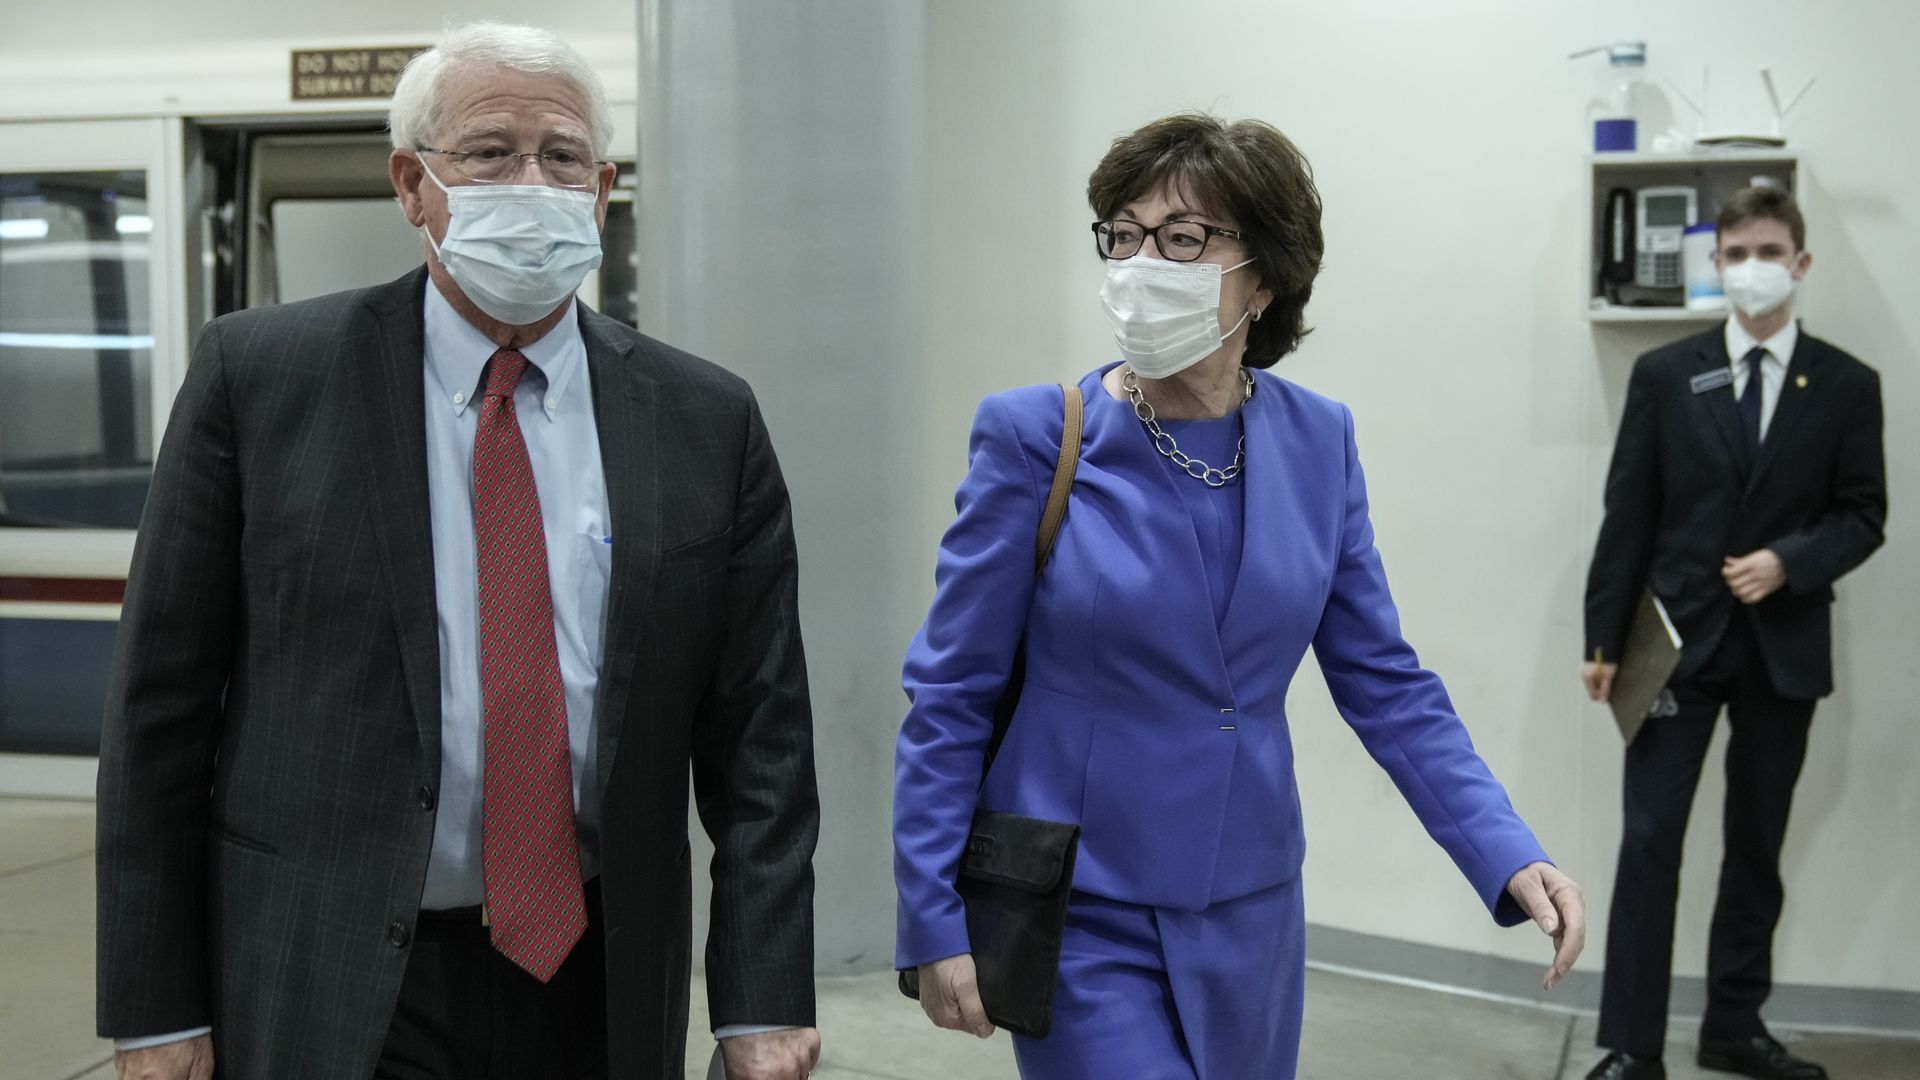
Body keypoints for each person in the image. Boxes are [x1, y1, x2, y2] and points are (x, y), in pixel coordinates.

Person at [94, 22, 821, 1080]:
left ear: (603, 187)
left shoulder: (706, 419)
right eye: (489, 153)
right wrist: (155, 1009)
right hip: (330, 975)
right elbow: (158, 708)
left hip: (599, 982)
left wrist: (761, 998)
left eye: (563, 156)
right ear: (413, 184)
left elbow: (763, 737)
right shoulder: (261, 381)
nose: (531, 181)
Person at [892, 113, 1585, 1080]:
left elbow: (1383, 680)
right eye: (1123, 235)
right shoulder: (1037, 437)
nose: (1142, 263)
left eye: (1182, 240)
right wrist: (929, 911)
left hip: (1252, 907)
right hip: (1081, 905)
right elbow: (952, 690)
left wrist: (1503, 847)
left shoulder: (1319, 440)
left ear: (1262, 278)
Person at [1581, 187, 1886, 1080]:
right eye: (1738, 251)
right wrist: (1603, 639)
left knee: (1756, 848)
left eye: (1770, 249)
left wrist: (1790, 561)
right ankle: (1632, 1048)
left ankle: (1734, 1029)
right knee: (1648, 844)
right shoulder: (1668, 376)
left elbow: (1865, 515)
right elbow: (1628, 513)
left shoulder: (1845, 384)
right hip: (1675, 642)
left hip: (1782, 651)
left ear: (1801, 262)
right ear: (1716, 265)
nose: (1754, 265)